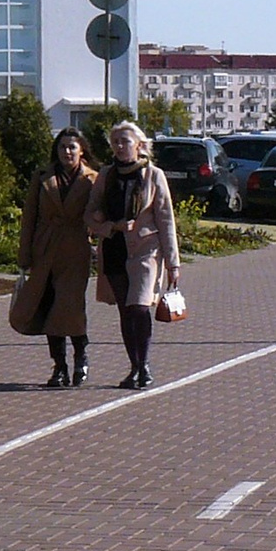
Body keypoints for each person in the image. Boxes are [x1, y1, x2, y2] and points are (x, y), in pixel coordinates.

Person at [88, 120, 183, 389]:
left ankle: (145, 365)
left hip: (146, 251)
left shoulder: (153, 175)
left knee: (139, 308)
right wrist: (109, 226)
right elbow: (90, 214)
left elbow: (166, 220)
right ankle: (134, 367)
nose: (119, 147)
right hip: (115, 250)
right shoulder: (106, 175)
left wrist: (173, 263)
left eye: (125, 142)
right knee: (125, 312)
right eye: (115, 142)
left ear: (139, 145)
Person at [12, 127, 97, 386]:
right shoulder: (42, 177)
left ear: (82, 150)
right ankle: (59, 366)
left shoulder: (93, 178)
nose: (67, 151)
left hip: (75, 251)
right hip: (45, 249)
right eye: (62, 147)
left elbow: (99, 214)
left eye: (72, 147)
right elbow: (30, 218)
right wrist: (25, 255)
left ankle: (81, 355)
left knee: (69, 308)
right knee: (49, 307)